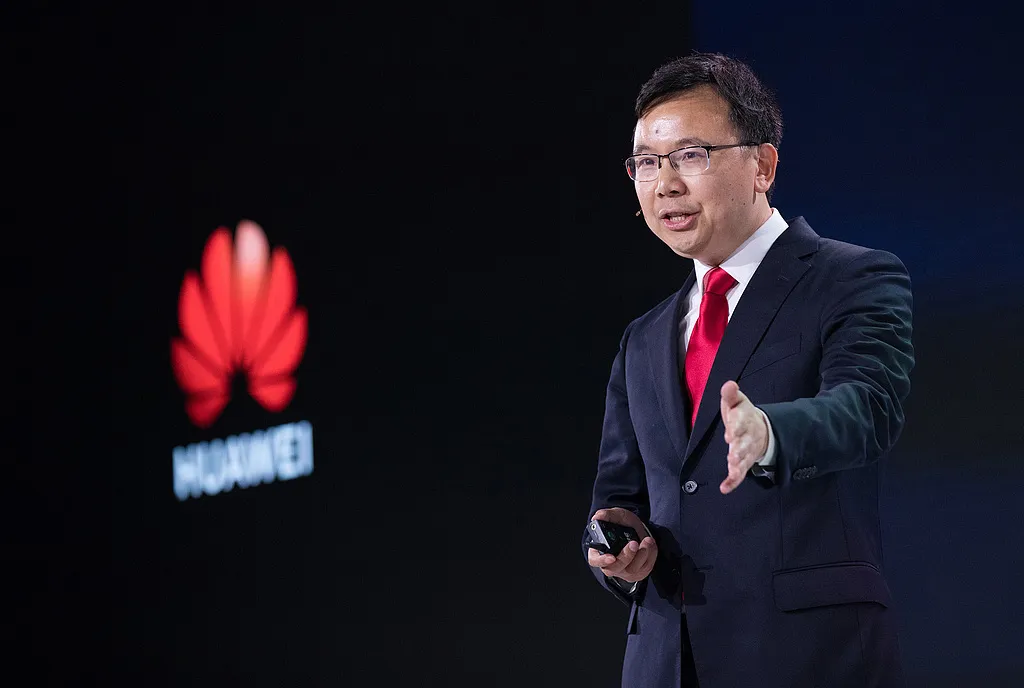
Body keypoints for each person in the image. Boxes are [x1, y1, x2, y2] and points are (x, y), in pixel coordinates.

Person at [583, 52, 914, 688]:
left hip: (806, 656)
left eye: (690, 155)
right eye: (646, 163)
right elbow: (619, 498)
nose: (664, 184)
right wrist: (613, 549)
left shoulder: (852, 279)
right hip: (665, 663)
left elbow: (867, 410)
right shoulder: (644, 338)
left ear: (762, 166)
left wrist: (769, 433)